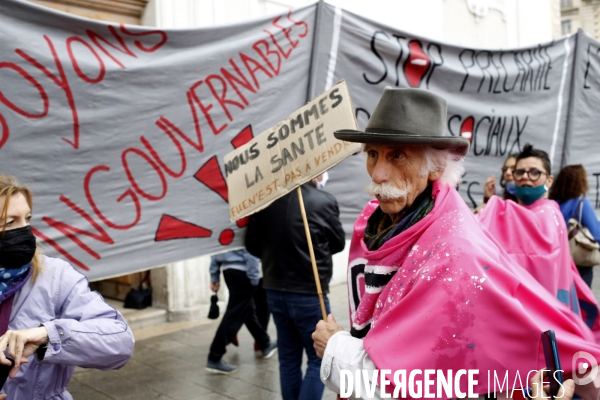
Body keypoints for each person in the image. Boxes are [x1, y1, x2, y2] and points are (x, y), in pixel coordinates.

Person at [311, 87, 600, 398]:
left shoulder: (454, 253)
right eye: (372, 154)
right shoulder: (379, 224)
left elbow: (412, 386)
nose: (379, 173)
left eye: (397, 155)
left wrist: (335, 347)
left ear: (436, 167)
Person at [0, 175, 134, 399]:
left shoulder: (55, 276)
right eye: (10, 223)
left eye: (27, 219)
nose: (25, 232)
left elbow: (120, 343)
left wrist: (49, 335)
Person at [477, 145, 600, 332]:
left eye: (534, 172)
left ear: (549, 181)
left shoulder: (548, 213)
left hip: (543, 314)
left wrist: (492, 207)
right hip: (511, 310)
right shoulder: (507, 210)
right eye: (520, 172)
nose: (526, 176)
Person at [245, 173, 345, 400]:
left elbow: (252, 245)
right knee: (319, 356)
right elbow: (337, 243)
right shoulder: (323, 200)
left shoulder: (264, 202)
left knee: (288, 358)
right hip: (310, 292)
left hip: (275, 289)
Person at [205, 249, 276, 374]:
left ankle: (264, 344)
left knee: (247, 310)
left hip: (228, 271)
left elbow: (215, 249)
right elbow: (250, 249)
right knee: (234, 315)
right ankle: (214, 356)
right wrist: (254, 277)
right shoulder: (242, 228)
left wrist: (214, 275)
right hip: (244, 272)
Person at [549, 164, 600, 287]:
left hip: (555, 260)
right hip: (578, 263)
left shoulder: (551, 203)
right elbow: (597, 235)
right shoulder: (581, 203)